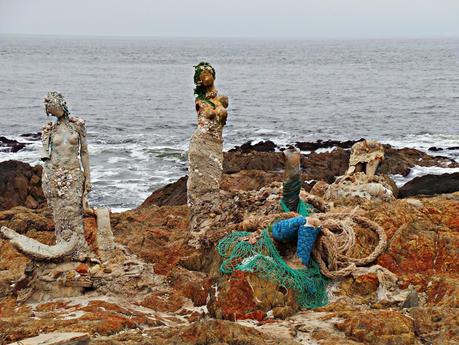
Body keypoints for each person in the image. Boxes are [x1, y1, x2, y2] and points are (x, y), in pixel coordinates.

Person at [41, 91, 92, 259]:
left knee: (74, 211)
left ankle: (78, 248)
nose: (52, 111)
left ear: (62, 106)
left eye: (54, 107)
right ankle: (62, 244)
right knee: (59, 213)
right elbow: (45, 153)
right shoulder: (51, 129)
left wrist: (88, 177)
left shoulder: (77, 126)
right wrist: (45, 137)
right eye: (50, 109)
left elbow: (84, 152)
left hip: (73, 173)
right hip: (53, 173)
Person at [187, 62, 228, 236]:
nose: (206, 77)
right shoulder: (200, 101)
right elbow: (211, 113)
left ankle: (208, 225)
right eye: (202, 75)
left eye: (207, 73)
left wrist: (219, 105)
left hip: (216, 146)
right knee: (199, 188)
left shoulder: (221, 99)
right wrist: (217, 108)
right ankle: (197, 227)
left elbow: (221, 112)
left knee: (213, 185)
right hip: (200, 146)